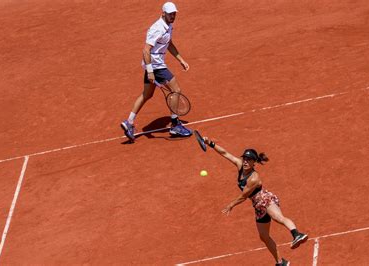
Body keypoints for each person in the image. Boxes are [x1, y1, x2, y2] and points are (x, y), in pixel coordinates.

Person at [202, 136, 308, 266]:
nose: (245, 161)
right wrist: (210, 143)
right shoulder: (240, 165)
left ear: (254, 162)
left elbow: (244, 195)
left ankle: (296, 234)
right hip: (257, 206)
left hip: (265, 199)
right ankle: (281, 262)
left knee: (277, 217)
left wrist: (231, 205)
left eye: (249, 159)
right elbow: (225, 153)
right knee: (264, 236)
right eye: (244, 158)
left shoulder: (254, 178)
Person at [121, 2, 192, 141]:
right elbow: (146, 50)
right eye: (170, 14)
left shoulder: (168, 25)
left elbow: (169, 44)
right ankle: (175, 124)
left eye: (174, 13)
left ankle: (129, 122)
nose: (173, 16)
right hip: (156, 66)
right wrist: (150, 71)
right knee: (176, 90)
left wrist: (181, 60)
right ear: (163, 13)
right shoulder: (157, 28)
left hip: (154, 66)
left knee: (147, 94)